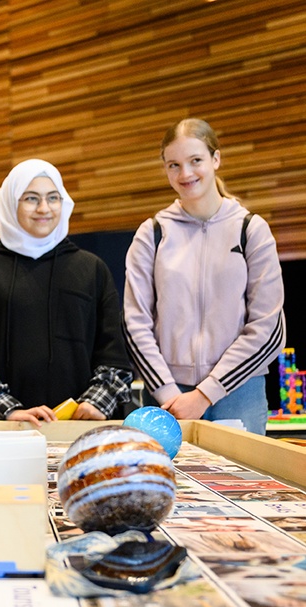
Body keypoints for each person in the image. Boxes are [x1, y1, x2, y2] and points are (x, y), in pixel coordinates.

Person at [123, 118, 285, 435]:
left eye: (195, 160)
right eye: (174, 165)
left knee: (243, 485)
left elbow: (269, 327)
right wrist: (170, 394)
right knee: (166, 484)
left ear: (215, 159)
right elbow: (134, 322)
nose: (185, 174)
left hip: (240, 392)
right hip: (168, 396)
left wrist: (206, 392)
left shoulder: (250, 229)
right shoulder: (152, 233)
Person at [0, 159, 133, 427]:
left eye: (53, 198)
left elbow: (114, 353)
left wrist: (96, 401)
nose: (44, 208)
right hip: (8, 430)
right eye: (31, 198)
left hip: (82, 427)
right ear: (11, 203)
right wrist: (8, 411)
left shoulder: (92, 269)